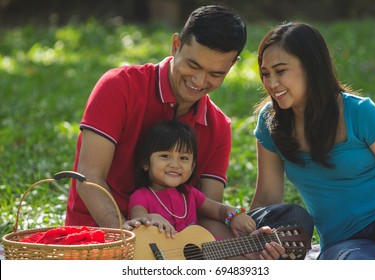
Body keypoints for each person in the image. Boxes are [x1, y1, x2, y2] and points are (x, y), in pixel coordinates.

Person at [65, 4, 310, 260]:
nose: (200, 81)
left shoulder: (218, 127)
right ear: (175, 45)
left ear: (232, 65)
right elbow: (89, 176)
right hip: (101, 235)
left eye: (216, 73)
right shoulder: (119, 86)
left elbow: (203, 213)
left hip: (175, 249)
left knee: (291, 219)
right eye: (193, 65)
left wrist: (242, 250)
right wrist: (126, 234)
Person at [251, 22, 375, 259]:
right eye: (266, 74)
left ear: (311, 67)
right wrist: (255, 232)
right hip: (347, 242)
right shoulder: (270, 123)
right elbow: (268, 198)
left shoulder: (359, 112)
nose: (272, 83)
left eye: (280, 71)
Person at [129, 120, 256, 240]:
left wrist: (234, 215)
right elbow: (137, 220)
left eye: (183, 158)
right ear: (146, 163)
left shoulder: (189, 194)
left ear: (192, 166)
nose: (175, 164)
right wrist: (151, 218)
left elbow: (218, 210)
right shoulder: (141, 196)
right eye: (165, 156)